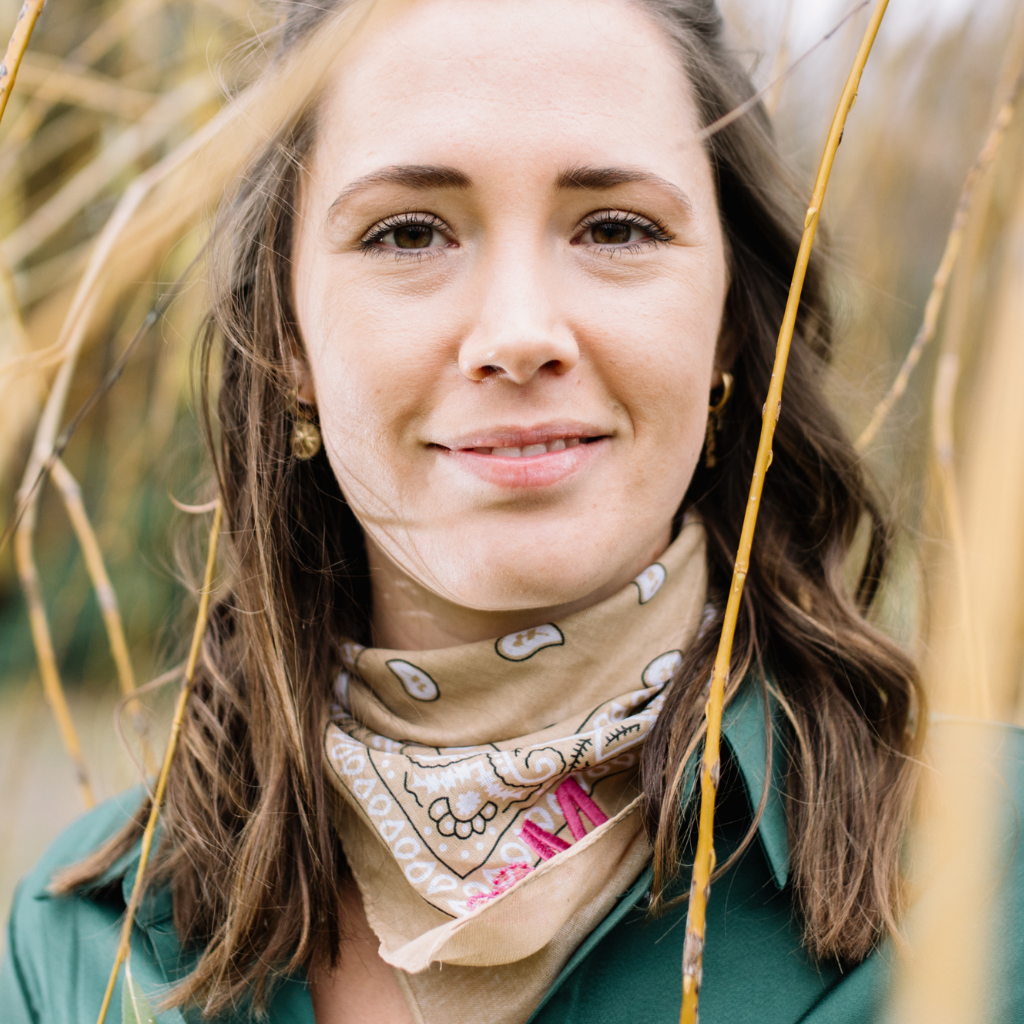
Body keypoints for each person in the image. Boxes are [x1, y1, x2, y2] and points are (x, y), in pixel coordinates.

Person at [3, 0, 1023, 1022]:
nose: (520, 332)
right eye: (409, 233)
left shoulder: (994, 866)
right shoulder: (84, 946)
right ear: (289, 341)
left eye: (616, 227)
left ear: (725, 322)